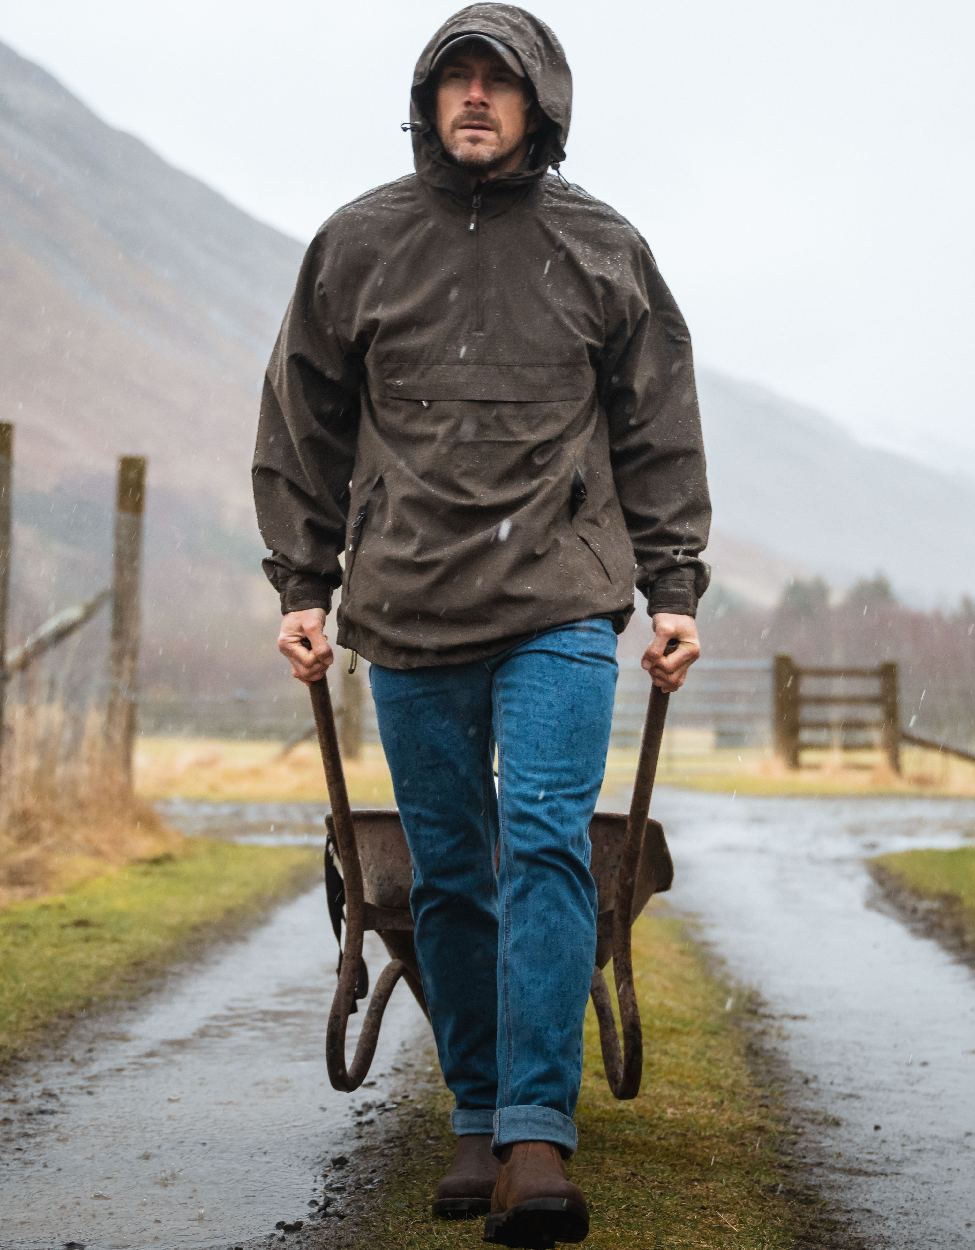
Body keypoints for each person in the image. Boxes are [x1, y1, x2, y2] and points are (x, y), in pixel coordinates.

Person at [252, 4, 711, 1245]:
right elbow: (303, 423)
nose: (472, 97)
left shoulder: (603, 248)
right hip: (404, 606)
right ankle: (472, 1109)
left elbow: (656, 429)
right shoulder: (358, 245)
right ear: (425, 99)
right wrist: (303, 587)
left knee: (547, 842)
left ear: (538, 104)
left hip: (561, 596)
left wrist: (672, 590)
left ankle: (532, 1137)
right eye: (453, 78)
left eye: (496, 82)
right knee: (451, 868)